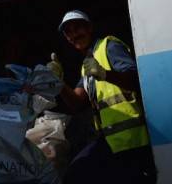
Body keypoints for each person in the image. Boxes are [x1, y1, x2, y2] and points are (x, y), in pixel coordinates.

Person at [48, 10, 156, 184]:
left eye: (78, 28)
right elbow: (76, 102)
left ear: (89, 28)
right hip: (110, 141)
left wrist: (105, 74)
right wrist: (57, 83)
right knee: (76, 173)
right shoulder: (87, 66)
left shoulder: (109, 46)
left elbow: (137, 80)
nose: (74, 34)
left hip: (133, 141)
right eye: (68, 32)